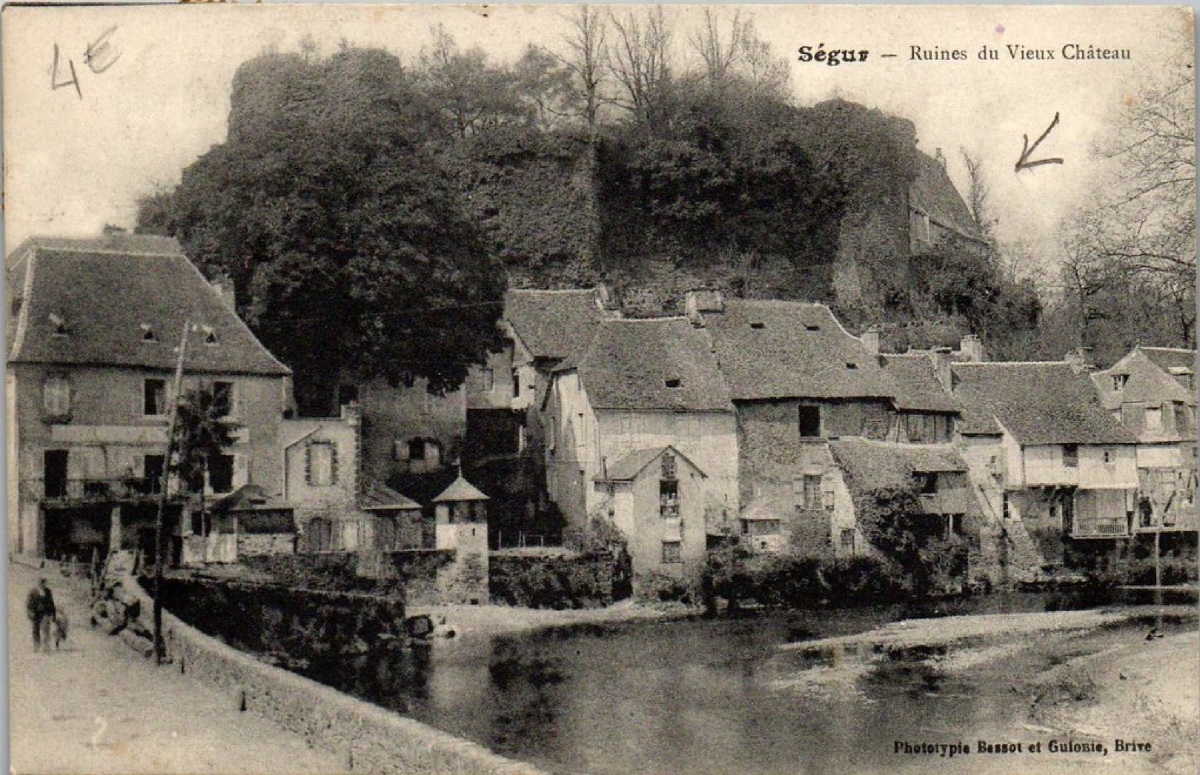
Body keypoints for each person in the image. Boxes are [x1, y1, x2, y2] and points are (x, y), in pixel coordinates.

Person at [26, 578, 57, 652]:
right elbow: (29, 603)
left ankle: (46, 646)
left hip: (45, 613)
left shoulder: (48, 591)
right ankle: (36, 645)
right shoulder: (33, 592)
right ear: (38, 583)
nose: (43, 585)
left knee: (46, 629)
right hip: (36, 613)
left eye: (44, 583)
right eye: (41, 583)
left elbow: (51, 603)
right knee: (36, 629)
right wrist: (30, 612)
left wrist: (53, 614)